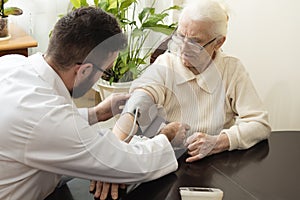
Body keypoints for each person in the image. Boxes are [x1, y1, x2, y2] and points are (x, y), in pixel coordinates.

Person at [0, 7, 189, 200]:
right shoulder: (46, 120)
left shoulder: (11, 63)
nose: (103, 76)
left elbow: (45, 129)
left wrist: (96, 113)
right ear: (85, 70)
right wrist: (167, 136)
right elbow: (129, 163)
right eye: (105, 71)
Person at [91, 0, 271, 198]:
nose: (183, 48)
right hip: (166, 168)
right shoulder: (166, 64)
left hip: (214, 171)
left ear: (219, 42)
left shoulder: (232, 69)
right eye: (180, 36)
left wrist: (219, 141)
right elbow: (137, 103)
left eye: (194, 41)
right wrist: (111, 158)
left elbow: (259, 122)